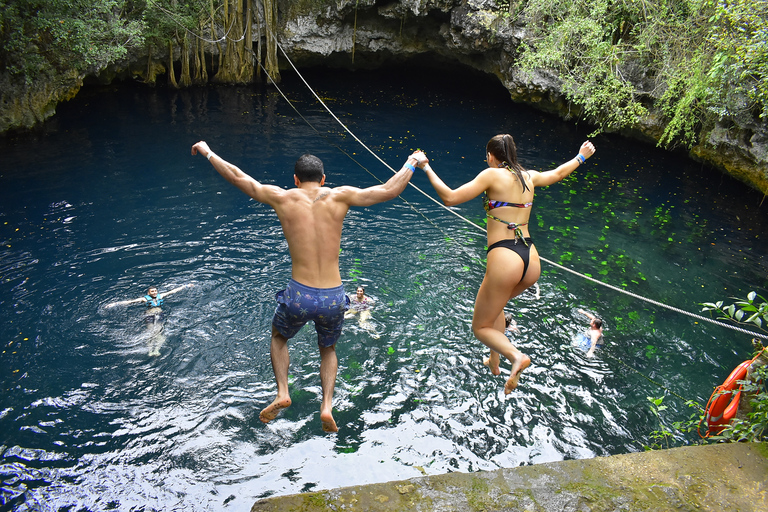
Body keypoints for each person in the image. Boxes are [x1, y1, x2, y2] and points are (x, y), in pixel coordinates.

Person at [192, 141, 424, 432]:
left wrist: (208, 151)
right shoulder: (340, 196)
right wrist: (413, 162)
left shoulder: (283, 197)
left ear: (295, 179)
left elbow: (239, 178)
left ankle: (282, 393)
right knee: (328, 350)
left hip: (299, 294)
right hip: (333, 296)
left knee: (279, 338)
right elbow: (390, 189)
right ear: (324, 178)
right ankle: (326, 406)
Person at [418, 135, 595, 393]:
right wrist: (581, 156)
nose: (486, 159)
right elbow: (557, 174)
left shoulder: (492, 175)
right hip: (530, 259)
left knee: (480, 326)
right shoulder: (529, 176)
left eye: (487, 155)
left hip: (505, 258)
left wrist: (426, 167)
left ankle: (515, 356)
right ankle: (494, 360)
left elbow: (450, 198)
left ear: (493, 155)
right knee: (497, 306)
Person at [105, 284, 193, 356]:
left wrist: (185, 286)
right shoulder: (144, 299)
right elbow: (129, 302)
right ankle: (150, 351)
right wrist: (114, 304)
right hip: (149, 316)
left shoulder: (161, 296)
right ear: (148, 292)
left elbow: (173, 291)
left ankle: (157, 350)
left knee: (158, 332)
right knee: (150, 333)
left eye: (155, 291)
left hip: (159, 315)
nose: (154, 293)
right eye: (152, 291)